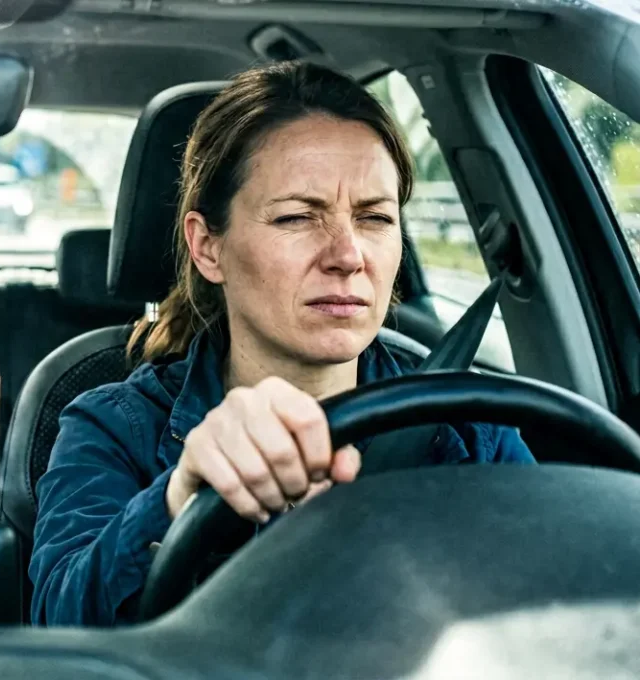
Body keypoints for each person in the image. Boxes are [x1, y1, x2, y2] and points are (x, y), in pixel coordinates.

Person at [28, 61, 535, 628]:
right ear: (207, 247)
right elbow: (60, 624)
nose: (348, 255)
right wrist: (175, 499)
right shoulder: (115, 426)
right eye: (297, 217)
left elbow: (559, 605)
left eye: (374, 218)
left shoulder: (471, 422)